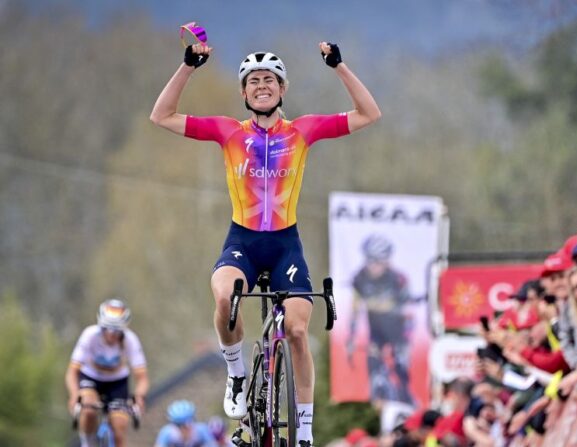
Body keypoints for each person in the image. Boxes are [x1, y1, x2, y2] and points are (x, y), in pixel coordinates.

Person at [150, 37, 381, 446]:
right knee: (225, 297)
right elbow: (161, 116)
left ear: (283, 88)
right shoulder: (228, 132)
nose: (261, 85)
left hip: (285, 245)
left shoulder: (303, 131)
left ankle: (304, 432)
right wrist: (188, 67)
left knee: (295, 330)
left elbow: (369, 113)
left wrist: (339, 67)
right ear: (243, 91)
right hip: (243, 240)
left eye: (270, 79)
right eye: (253, 80)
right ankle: (237, 373)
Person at [66, 299, 149, 447]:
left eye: (117, 330)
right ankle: (88, 443)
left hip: (117, 382)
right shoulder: (89, 335)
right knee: (89, 409)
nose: (112, 334)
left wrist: (139, 396)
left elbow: (142, 377)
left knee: (119, 426)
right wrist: (74, 394)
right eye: (107, 328)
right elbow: (72, 371)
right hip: (91, 378)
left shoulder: (131, 340)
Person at [349, 234, 414, 405]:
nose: (373, 266)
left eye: (377, 261)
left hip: (397, 330)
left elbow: (409, 311)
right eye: (370, 260)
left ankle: (406, 398)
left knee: (401, 369)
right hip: (376, 331)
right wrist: (351, 335)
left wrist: (405, 343)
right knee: (373, 365)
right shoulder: (360, 277)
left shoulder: (398, 279)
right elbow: (355, 308)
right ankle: (376, 403)